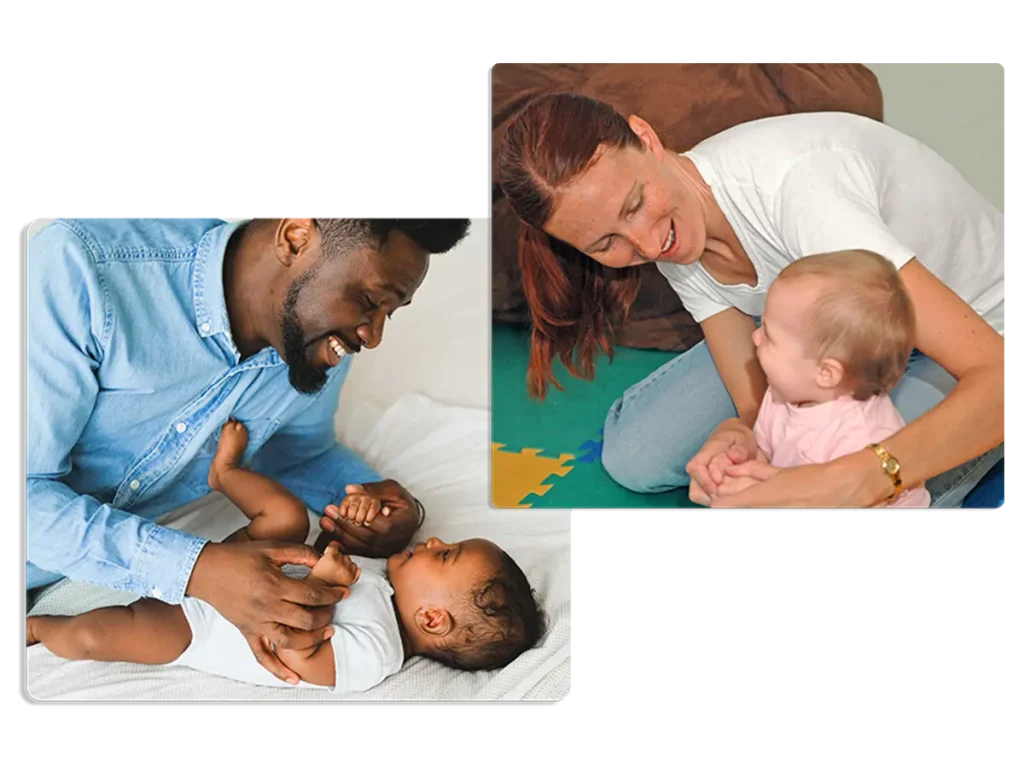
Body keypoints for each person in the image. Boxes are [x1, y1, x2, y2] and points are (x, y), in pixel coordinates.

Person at [496, 93, 1007, 509]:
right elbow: (759, 406)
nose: (649, 246)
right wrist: (739, 438)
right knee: (636, 455)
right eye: (605, 244)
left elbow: (1000, 378)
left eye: (634, 205)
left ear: (647, 139)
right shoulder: (671, 227)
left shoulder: (802, 193)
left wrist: (855, 479)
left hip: (978, 337)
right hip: (815, 335)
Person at [26, 215, 472, 685]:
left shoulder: (319, 347)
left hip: (74, 591)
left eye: (390, 313)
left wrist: (373, 503)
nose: (373, 336)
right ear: (296, 237)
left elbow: (296, 453)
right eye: (368, 301)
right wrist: (195, 568)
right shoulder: (84, 267)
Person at [26, 419, 544, 690]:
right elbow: (321, 540)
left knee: (96, 634)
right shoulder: (384, 581)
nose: (431, 542)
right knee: (289, 518)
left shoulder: (375, 658)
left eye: (446, 555)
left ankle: (40, 629)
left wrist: (323, 573)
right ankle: (225, 474)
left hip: (200, 626)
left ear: (431, 617)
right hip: (240, 566)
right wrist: (355, 511)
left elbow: (297, 652)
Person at [698, 250, 930, 509]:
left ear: (826, 373)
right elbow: (767, 451)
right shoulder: (784, 392)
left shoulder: (862, 436)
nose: (754, 338)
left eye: (769, 336)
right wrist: (738, 469)